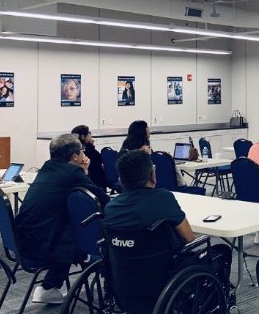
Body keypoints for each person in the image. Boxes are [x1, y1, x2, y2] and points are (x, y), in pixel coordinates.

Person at [103, 150, 232, 287]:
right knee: (222, 251)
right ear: (152, 175)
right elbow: (188, 238)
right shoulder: (163, 199)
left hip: (123, 283)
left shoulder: (110, 208)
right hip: (162, 279)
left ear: (120, 180)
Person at [15, 134, 110, 304]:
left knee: (69, 226)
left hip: (22, 239)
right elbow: (101, 199)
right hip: (42, 244)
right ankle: (109, 285)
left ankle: (49, 287)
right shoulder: (72, 172)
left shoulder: (48, 167)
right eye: (82, 151)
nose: (84, 154)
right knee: (84, 235)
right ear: (74, 156)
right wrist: (84, 172)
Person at [121, 120, 185, 187]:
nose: (149, 130)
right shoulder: (142, 150)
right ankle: (181, 185)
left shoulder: (126, 148)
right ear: (143, 131)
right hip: (145, 183)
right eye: (147, 127)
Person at [71, 125, 106, 189]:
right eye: (89, 134)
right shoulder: (87, 149)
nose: (91, 136)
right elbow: (98, 160)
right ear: (83, 137)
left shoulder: (73, 151)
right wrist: (91, 145)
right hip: (96, 182)